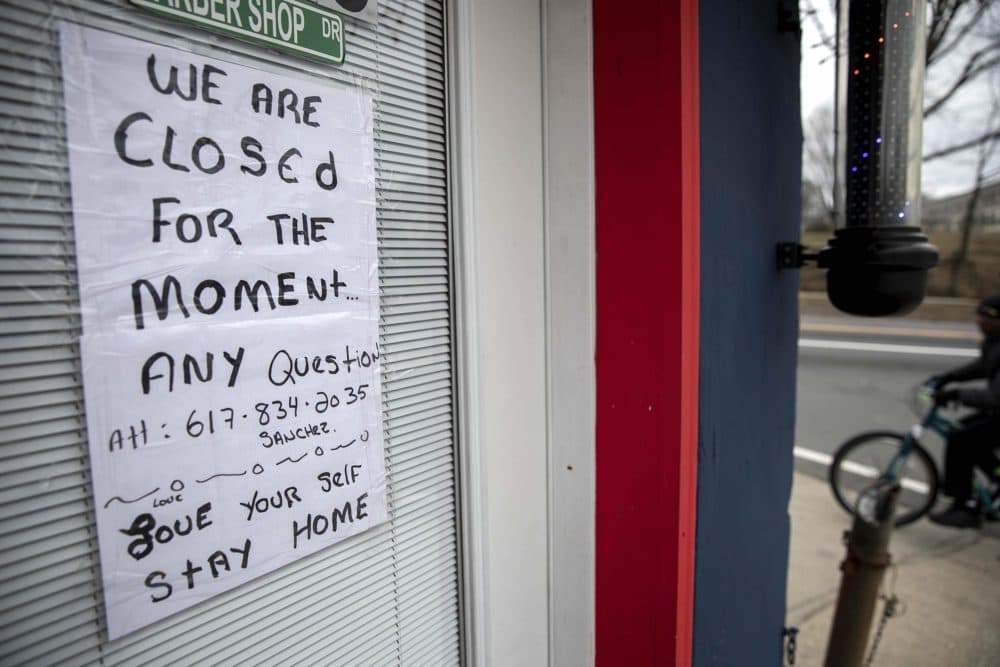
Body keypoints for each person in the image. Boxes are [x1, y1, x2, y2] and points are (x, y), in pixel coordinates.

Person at [926, 294, 1000, 529]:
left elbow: (995, 397)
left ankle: (965, 506)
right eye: (978, 315)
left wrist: (957, 395)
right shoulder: (994, 342)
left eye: (985, 317)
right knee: (968, 433)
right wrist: (949, 377)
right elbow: (983, 366)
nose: (978, 320)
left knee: (961, 440)